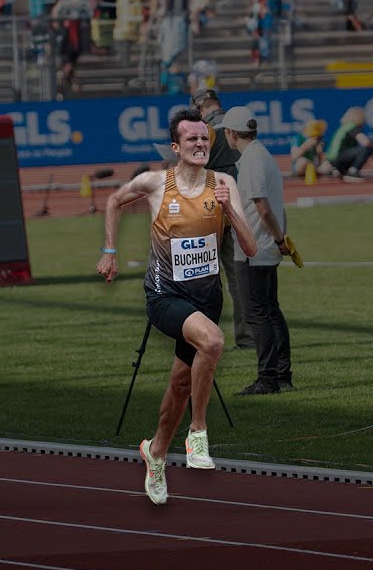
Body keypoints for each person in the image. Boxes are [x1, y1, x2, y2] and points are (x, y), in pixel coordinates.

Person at [97, 107, 258, 505]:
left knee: (180, 384)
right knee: (215, 342)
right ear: (176, 146)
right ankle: (198, 435)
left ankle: (155, 452)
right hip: (165, 295)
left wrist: (229, 209)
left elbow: (251, 247)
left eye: (205, 139)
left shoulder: (223, 183)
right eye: (192, 139)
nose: (201, 144)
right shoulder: (155, 184)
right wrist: (110, 250)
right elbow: (114, 201)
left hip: (207, 297)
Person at [221, 106, 295, 396]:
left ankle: (268, 378)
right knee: (271, 311)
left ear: (230, 133)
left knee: (258, 314)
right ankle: (282, 374)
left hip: (253, 249)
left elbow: (262, 207)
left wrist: (278, 239)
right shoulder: (263, 155)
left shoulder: (251, 159)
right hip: (265, 247)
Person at [191, 87, 254, 350]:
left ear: (199, 108)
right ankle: (247, 336)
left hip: (210, 211)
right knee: (239, 279)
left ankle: (203, 336)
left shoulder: (205, 131)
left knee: (203, 277)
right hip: (239, 209)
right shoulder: (237, 126)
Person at [323, 106, 373, 179]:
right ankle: (353, 171)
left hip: (332, 161)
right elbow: (365, 142)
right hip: (339, 159)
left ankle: (338, 171)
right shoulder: (352, 127)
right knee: (366, 148)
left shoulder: (343, 127)